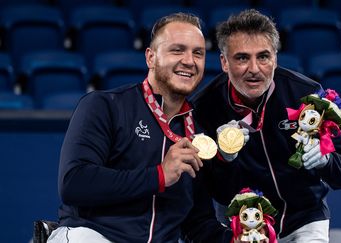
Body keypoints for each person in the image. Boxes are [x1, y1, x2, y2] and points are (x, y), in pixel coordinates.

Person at [48, 12, 231, 243]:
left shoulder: (199, 133)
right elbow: (74, 183)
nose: (189, 60)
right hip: (94, 235)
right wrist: (159, 176)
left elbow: (197, 223)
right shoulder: (106, 106)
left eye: (198, 53)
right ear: (150, 58)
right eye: (177, 50)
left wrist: (238, 238)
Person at [192, 9, 341, 243]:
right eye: (242, 58)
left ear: (275, 58)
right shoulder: (204, 108)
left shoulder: (305, 95)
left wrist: (326, 161)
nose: (254, 68)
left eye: (263, 56)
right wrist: (224, 159)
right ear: (224, 62)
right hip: (244, 228)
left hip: (305, 221)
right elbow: (215, 193)